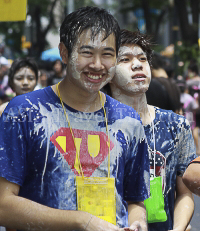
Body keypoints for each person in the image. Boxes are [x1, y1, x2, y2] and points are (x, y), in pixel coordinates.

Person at [0, 7, 150, 231]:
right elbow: (3, 206)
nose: (98, 65)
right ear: (64, 52)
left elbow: (135, 200)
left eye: (107, 54)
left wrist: (138, 222)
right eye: (87, 52)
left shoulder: (128, 120)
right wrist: (81, 221)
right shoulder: (24, 111)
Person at [108, 29, 196, 231]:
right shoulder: (98, 126)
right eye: (125, 59)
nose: (137, 64)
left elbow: (184, 193)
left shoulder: (176, 125)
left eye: (142, 58)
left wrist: (179, 227)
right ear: (109, 73)